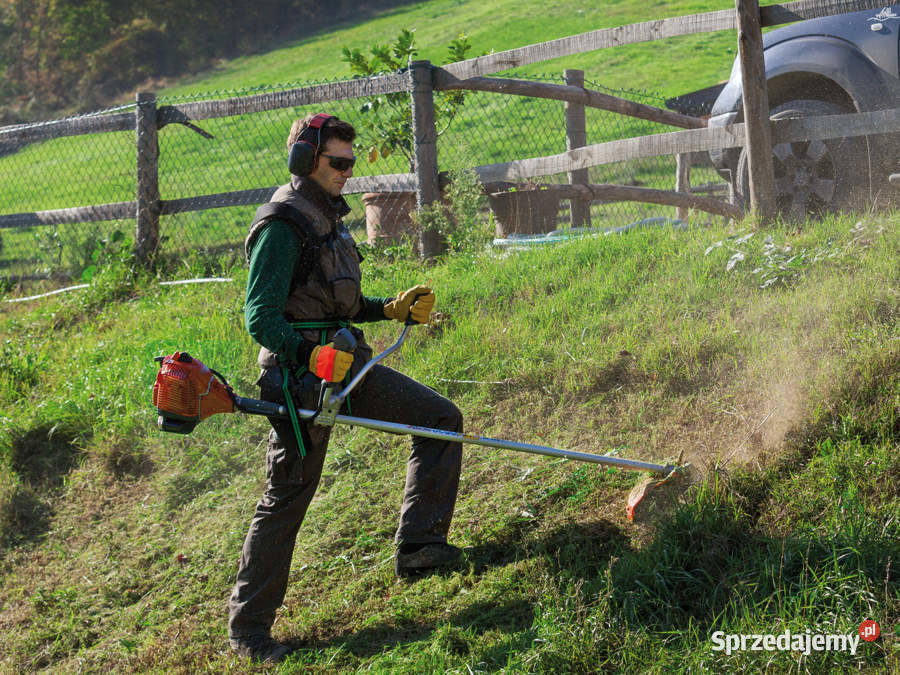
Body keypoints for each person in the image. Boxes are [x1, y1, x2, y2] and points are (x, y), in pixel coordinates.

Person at [228, 113, 464, 664]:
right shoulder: (281, 226)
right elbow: (260, 318)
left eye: (351, 164)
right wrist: (308, 354)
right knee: (288, 496)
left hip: (347, 365)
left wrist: (389, 309)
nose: (347, 173)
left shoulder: (327, 220)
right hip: (299, 382)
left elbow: (341, 303)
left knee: (440, 420)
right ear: (304, 160)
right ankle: (248, 631)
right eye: (338, 163)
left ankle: (421, 548)